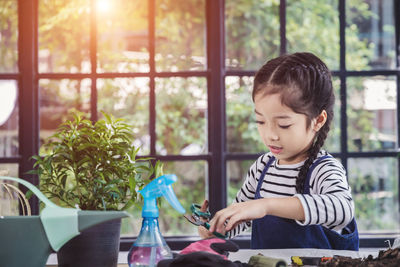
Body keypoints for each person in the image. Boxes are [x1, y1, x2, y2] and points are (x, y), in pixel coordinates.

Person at [199, 52, 359, 250]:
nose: (270, 135)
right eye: (261, 121)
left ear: (318, 120)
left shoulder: (324, 169)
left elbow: (342, 209)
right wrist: (216, 227)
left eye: (283, 125)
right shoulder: (262, 168)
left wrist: (265, 205)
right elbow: (238, 219)